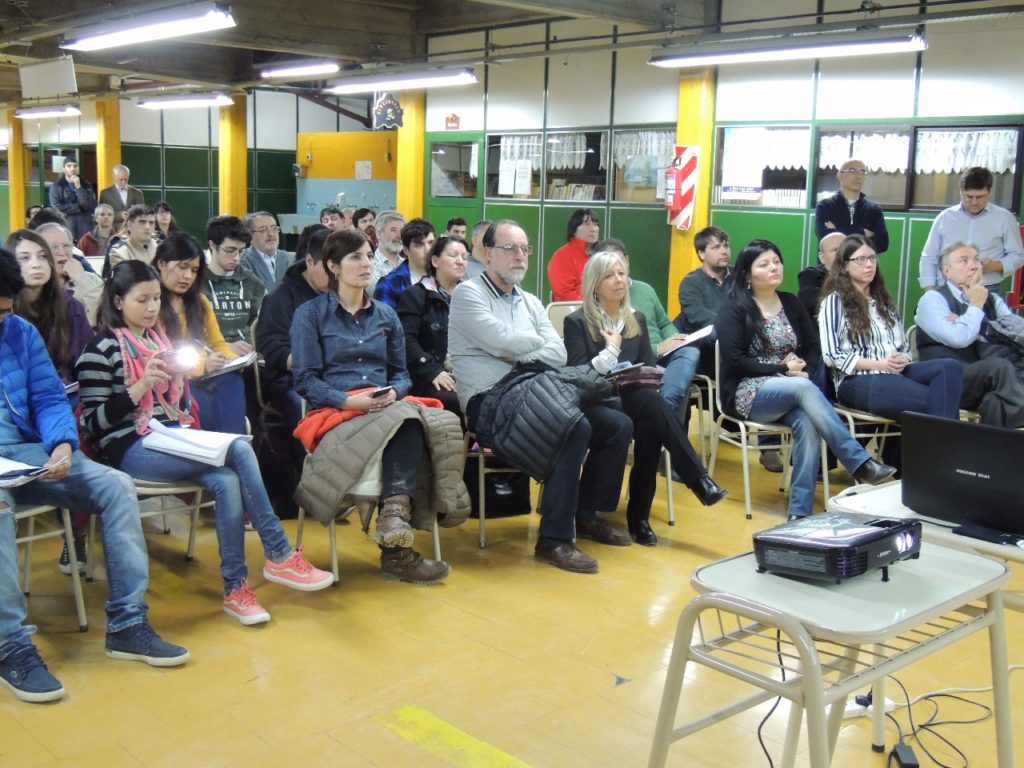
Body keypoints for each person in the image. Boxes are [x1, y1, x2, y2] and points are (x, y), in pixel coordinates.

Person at [76, 261, 333, 626]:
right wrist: (140, 385)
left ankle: (235, 590)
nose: (152, 308)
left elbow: (177, 409)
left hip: (171, 436)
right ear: (118, 301)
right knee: (240, 448)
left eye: (155, 299)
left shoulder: (159, 342)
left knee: (226, 481)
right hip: (129, 447)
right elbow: (94, 424)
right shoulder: (98, 350)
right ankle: (278, 552)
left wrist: (180, 382)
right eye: (142, 300)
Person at [0, 249, 188, 703]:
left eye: (4, 312)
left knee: (117, 487)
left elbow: (48, 398)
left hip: (32, 456)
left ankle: (126, 624)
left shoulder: (19, 333)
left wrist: (63, 441)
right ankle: (10, 646)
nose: (0, 321)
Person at [449, 219, 633, 573]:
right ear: (488, 253)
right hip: (490, 401)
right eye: (510, 249)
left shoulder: (531, 302)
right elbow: (503, 340)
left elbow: (558, 354)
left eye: (525, 249)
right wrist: (523, 348)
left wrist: (514, 351)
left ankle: (586, 512)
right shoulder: (468, 294)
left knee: (617, 425)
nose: (520, 256)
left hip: (537, 389)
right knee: (572, 425)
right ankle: (555, 538)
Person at [291, 229, 467, 585]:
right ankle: (397, 542)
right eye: (356, 257)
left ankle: (394, 520)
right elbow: (305, 381)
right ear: (333, 266)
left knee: (429, 418)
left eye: (369, 256)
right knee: (412, 419)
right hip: (335, 411)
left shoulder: (385, 315)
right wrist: (347, 400)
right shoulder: (310, 315)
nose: (366, 264)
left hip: (384, 406)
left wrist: (394, 393)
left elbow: (401, 374)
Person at [716, 240, 896, 520]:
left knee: (807, 422)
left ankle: (799, 513)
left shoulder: (791, 302)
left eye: (776, 261)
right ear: (747, 274)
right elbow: (735, 360)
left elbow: (813, 348)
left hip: (795, 386)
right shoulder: (735, 309)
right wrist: (783, 369)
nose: (774, 268)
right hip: (747, 392)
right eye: (763, 264)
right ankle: (858, 462)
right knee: (802, 388)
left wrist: (806, 371)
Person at [563, 252, 728, 545]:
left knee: (652, 419)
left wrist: (648, 376)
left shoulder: (635, 318)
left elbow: (646, 363)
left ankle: (640, 518)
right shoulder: (577, 321)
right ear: (594, 284)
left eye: (622, 274)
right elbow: (580, 376)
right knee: (653, 408)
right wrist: (611, 352)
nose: (619, 281)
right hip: (597, 401)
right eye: (610, 275)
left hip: (632, 397)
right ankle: (695, 482)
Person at [819, 234, 965, 466]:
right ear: (844, 266)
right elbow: (832, 355)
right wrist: (880, 365)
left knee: (950, 367)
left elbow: (904, 346)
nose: (869, 265)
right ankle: (941, 463)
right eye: (860, 260)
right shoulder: (834, 302)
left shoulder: (883, 301)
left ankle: (933, 462)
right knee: (938, 402)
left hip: (894, 371)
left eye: (872, 258)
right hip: (858, 380)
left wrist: (902, 357)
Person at [914, 241, 1024, 428]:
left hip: (985, 383)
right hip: (948, 380)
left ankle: (989, 455)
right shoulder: (933, 299)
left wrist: (978, 325)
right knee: (999, 367)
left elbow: (1017, 333)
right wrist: (975, 306)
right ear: (947, 271)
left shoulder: (992, 299)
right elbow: (959, 338)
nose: (973, 265)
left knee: (994, 402)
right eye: (963, 261)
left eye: (976, 260)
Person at [153, 232, 247, 435]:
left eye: (194, 270)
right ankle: (220, 450)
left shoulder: (200, 302)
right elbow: (163, 358)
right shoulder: (152, 304)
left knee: (232, 380)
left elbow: (218, 343)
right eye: (182, 267)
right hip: (171, 381)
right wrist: (203, 365)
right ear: (161, 263)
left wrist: (229, 360)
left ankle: (235, 444)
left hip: (204, 374)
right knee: (202, 400)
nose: (187, 276)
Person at [5, 229, 92, 386]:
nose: (36, 264)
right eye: (24, 258)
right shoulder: (4, 311)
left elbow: (87, 364)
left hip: (66, 397)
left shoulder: (71, 306)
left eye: (43, 256)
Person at [920, 166, 1024, 293]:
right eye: (969, 197)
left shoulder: (1004, 218)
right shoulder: (945, 218)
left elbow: (1018, 255)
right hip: (948, 289)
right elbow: (929, 256)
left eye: (980, 197)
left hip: (987, 289)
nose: (974, 202)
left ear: (989, 192)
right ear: (961, 192)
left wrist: (993, 266)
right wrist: (929, 290)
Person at [396, 235, 467, 415]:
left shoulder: (472, 297)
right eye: (453, 255)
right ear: (435, 261)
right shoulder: (416, 295)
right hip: (427, 375)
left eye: (465, 257)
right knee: (462, 401)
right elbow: (406, 341)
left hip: (468, 371)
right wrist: (433, 371)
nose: (460, 262)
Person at [203, 215, 265, 352]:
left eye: (241, 251)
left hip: (249, 356)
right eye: (230, 251)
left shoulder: (253, 283)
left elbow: (263, 326)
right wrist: (225, 348)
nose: (236, 258)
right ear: (213, 245)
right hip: (210, 356)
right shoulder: (197, 284)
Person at [814, 158, 889, 253]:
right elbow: (825, 236)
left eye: (862, 172)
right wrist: (863, 233)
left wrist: (837, 230)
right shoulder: (825, 206)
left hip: (863, 265)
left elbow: (882, 243)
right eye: (852, 171)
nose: (858, 176)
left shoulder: (873, 209)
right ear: (839, 175)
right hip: (833, 266)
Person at [36, 222, 104, 324]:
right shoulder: (34, 285)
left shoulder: (92, 280)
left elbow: (99, 317)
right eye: (54, 247)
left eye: (66, 246)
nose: (62, 252)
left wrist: (82, 280)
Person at [372, 218, 436, 309]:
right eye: (419, 245)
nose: (428, 250)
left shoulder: (444, 276)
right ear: (406, 250)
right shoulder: (389, 284)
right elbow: (386, 321)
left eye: (431, 243)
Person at [547, 208, 600, 301]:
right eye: (586, 224)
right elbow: (565, 294)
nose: (593, 229)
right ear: (574, 229)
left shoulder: (604, 254)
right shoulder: (562, 256)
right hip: (575, 310)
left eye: (596, 225)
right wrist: (593, 307)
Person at [798, 231, 845, 323]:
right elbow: (810, 301)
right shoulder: (810, 275)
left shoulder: (860, 275)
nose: (841, 254)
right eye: (835, 250)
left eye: (845, 249)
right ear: (822, 257)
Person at [241, 211, 292, 291]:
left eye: (274, 228)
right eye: (263, 230)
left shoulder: (292, 258)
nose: (271, 234)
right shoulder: (242, 261)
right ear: (249, 235)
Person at [47, 158, 96, 240]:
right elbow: (57, 207)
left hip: (84, 227)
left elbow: (89, 205)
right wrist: (79, 207)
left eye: (75, 166)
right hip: (66, 225)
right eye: (69, 166)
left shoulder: (87, 185)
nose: (72, 168)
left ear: (78, 168)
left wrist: (79, 187)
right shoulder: (56, 186)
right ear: (64, 168)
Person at [107, 205, 159, 275]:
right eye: (142, 222)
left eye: (151, 223)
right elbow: (127, 283)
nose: (148, 227)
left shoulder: (161, 247)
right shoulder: (119, 252)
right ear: (129, 226)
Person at [370, 211, 406, 290]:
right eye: (393, 230)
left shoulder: (407, 264)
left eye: (402, 231)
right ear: (379, 234)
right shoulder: (370, 266)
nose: (399, 236)